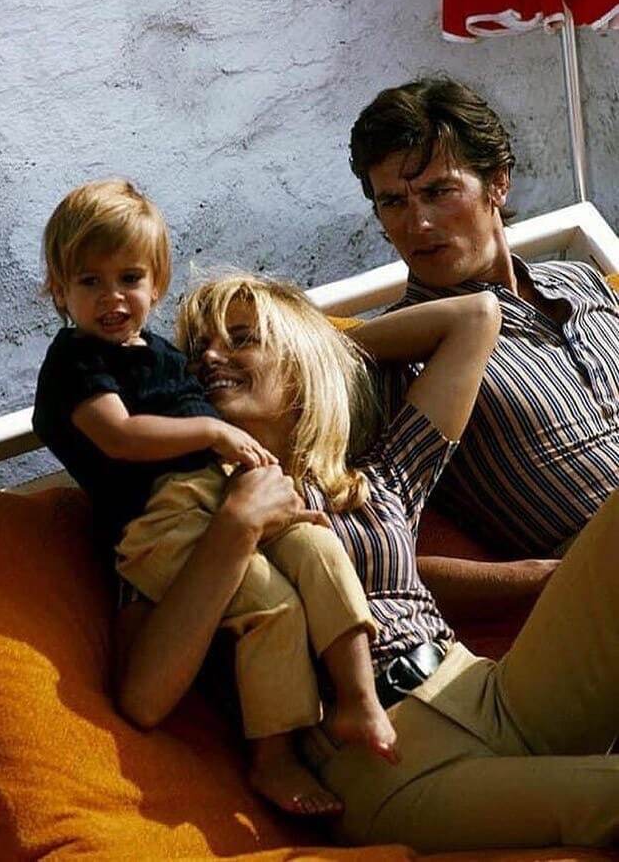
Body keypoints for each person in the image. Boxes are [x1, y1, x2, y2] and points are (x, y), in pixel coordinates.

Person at [114, 272, 619, 853]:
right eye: (197, 350)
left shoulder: (377, 478)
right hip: (386, 769)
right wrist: (236, 528)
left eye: (242, 339)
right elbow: (142, 698)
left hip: (493, 693)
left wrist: (324, 350)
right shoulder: (180, 513)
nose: (209, 356)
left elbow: (476, 317)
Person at [31, 179, 397, 817]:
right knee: (273, 607)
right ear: (58, 291)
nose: (112, 298)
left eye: (130, 278)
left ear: (158, 282)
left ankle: (357, 698)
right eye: (89, 282)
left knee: (317, 544)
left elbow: (444, 323)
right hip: (160, 520)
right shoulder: (77, 359)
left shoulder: (165, 353)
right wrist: (213, 430)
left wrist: (317, 352)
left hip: (224, 493)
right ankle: (273, 757)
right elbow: (117, 436)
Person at [348, 77, 619, 618]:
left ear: (497, 183)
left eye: (438, 191)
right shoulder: (398, 358)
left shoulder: (582, 280)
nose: (417, 223)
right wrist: (538, 579)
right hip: (595, 581)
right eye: (393, 202)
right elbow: (358, 547)